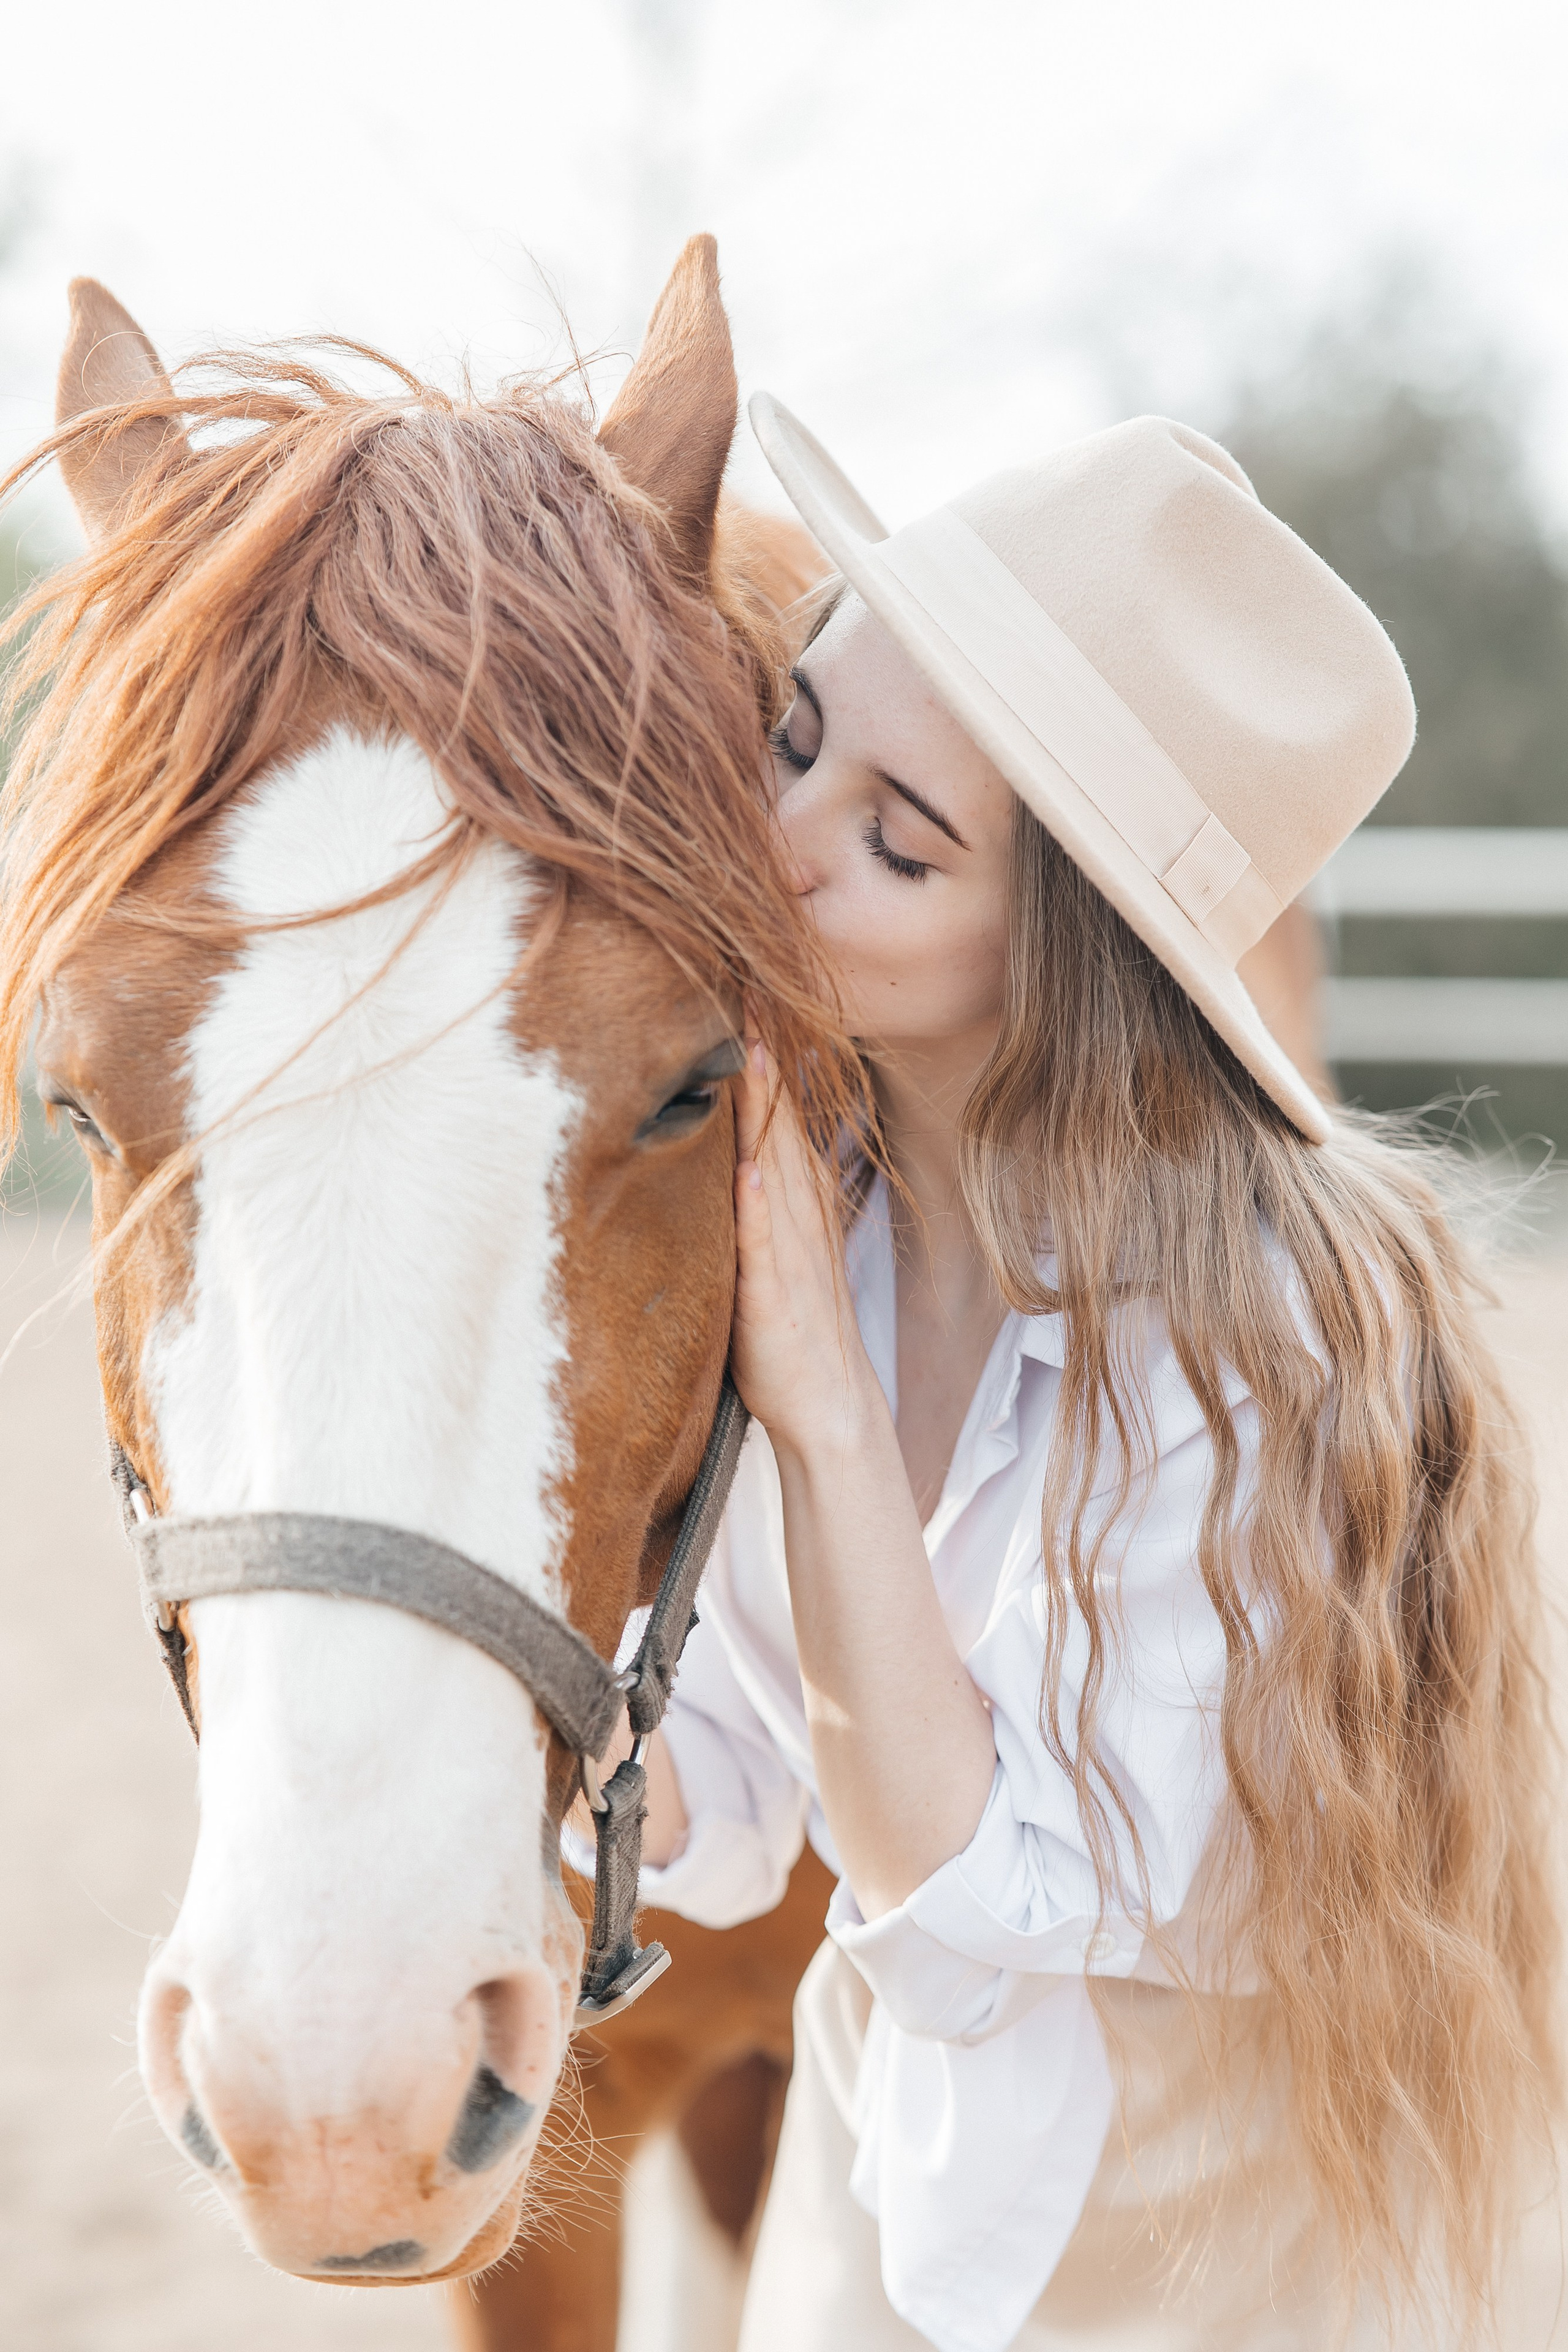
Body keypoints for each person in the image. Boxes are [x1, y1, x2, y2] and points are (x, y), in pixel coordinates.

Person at [576, 407, 1557, 2349]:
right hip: (889, 2194)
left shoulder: (1255, 1347)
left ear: (1064, 956)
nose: (776, 847)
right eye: (798, 743)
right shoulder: (816, 1216)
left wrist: (827, 1423)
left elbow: (965, 1897)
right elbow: (750, 1801)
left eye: (898, 843)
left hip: (1204, 2259)